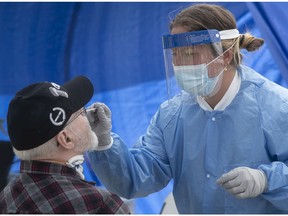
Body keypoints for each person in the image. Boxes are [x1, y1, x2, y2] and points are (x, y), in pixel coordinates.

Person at [87, 3, 288, 214]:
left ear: (225, 56)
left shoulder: (276, 106)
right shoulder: (172, 115)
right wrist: (104, 143)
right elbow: (137, 178)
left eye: (190, 54)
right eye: (175, 54)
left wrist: (265, 180)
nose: (181, 64)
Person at [0, 76, 130, 214]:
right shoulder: (100, 205)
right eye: (81, 113)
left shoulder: (6, 196)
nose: (88, 115)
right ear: (67, 139)